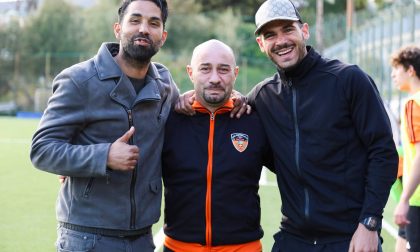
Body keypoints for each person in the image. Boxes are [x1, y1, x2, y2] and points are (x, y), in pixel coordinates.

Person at [247, 0, 398, 251]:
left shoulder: (348, 79)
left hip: (350, 236)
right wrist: (187, 100)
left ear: (304, 31)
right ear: (261, 44)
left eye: (288, 29)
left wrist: (370, 223)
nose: (281, 40)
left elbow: (383, 152)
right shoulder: (262, 97)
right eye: (270, 35)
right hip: (293, 238)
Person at [30, 0, 179, 251]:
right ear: (118, 29)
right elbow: (42, 150)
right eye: (135, 20)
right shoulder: (79, 80)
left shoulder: (164, 84)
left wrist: (234, 99)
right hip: (87, 238)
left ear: (162, 36)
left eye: (153, 23)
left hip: (142, 238)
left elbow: (185, 108)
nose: (144, 28)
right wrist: (103, 156)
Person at [162, 39, 273, 252]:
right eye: (205, 69)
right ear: (190, 72)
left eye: (223, 70)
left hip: (243, 248)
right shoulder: (168, 120)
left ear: (236, 73)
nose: (215, 78)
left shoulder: (255, 120)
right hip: (179, 247)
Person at [391, 45, 420, 252]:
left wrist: (404, 199)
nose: (393, 75)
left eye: (397, 69)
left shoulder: (413, 104)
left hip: (417, 199)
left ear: (410, 70)